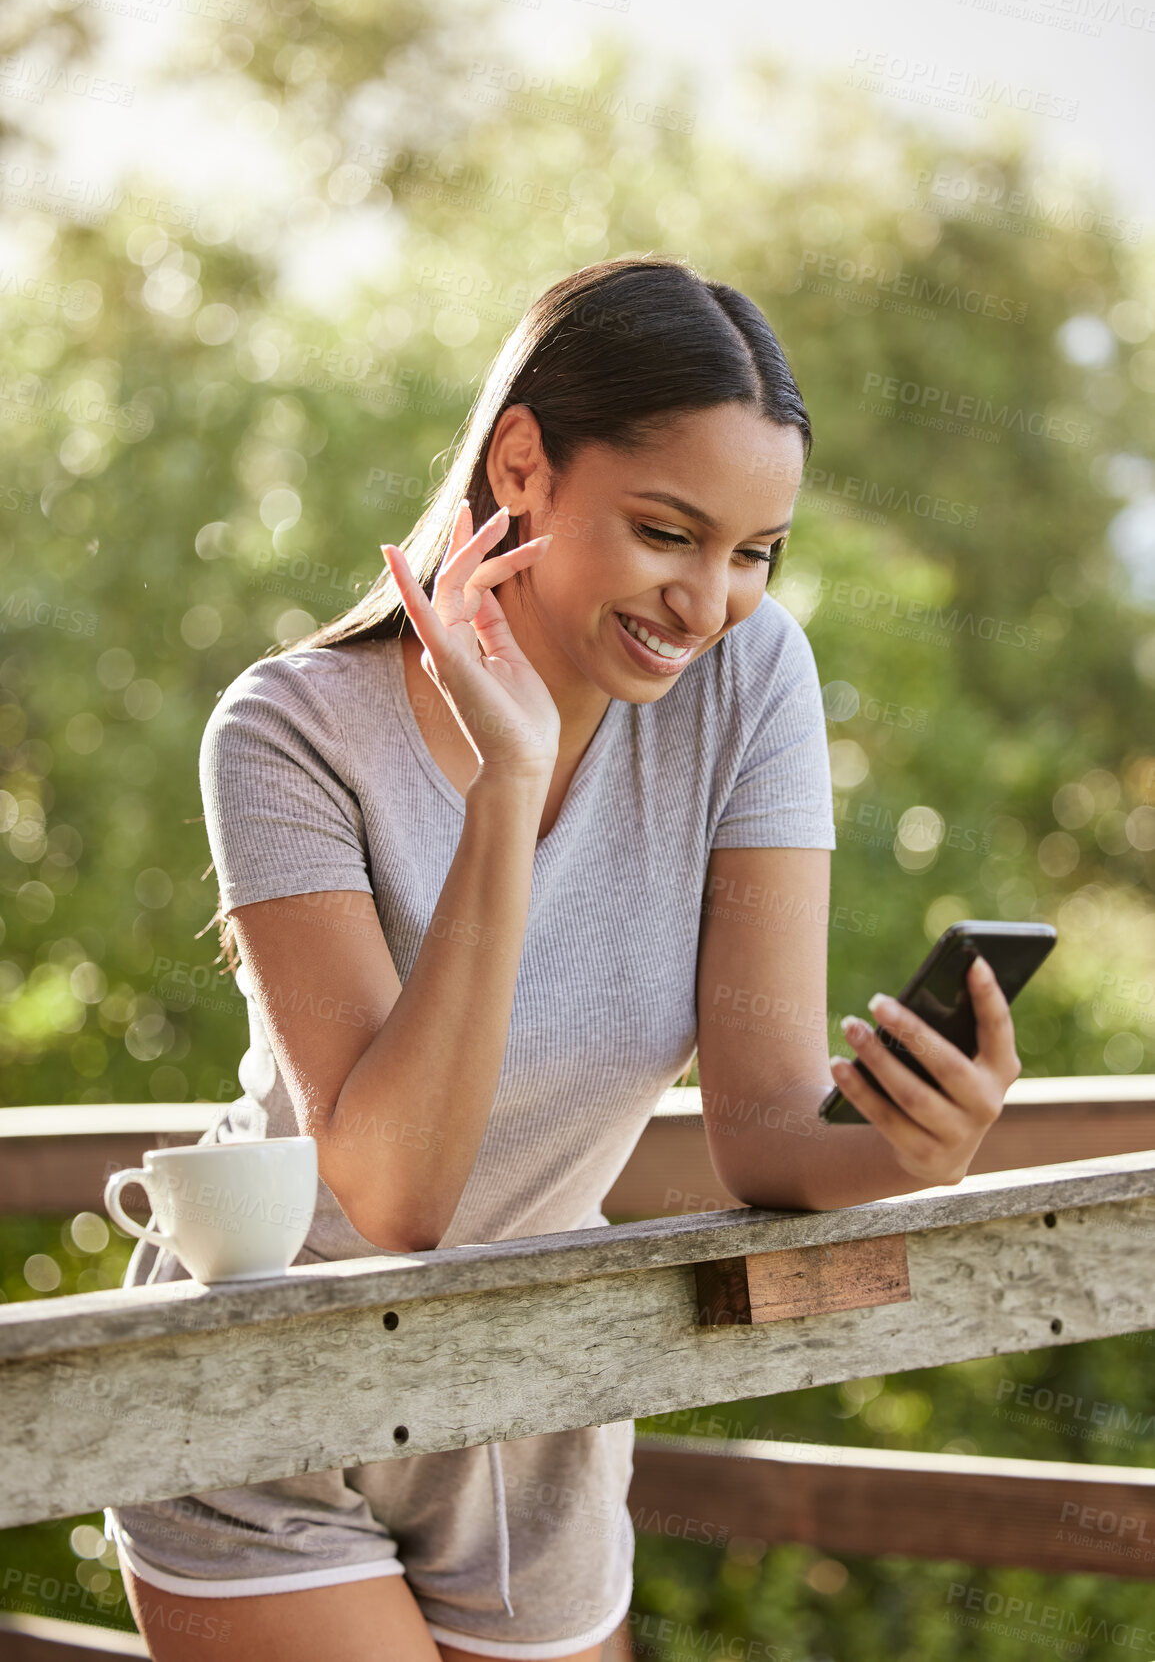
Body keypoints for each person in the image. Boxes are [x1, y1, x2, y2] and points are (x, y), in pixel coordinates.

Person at [103, 255, 1021, 1662]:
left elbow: (770, 1133)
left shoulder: (750, 683)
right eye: (668, 531)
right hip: (258, 1401)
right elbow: (396, 1189)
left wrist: (911, 1149)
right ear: (522, 462)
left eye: (756, 550)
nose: (711, 601)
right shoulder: (284, 734)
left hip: (532, 1399)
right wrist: (503, 790)